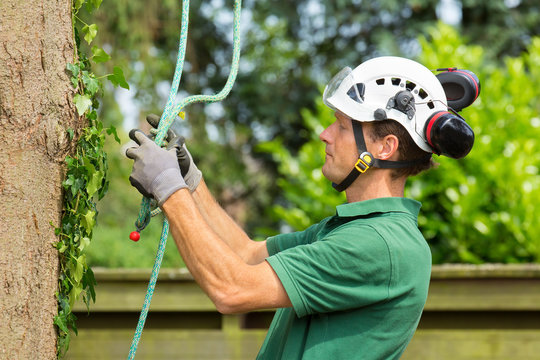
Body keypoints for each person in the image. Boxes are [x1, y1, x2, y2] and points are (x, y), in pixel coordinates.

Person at [126, 56, 479, 359]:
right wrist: (190, 179)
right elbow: (247, 254)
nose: (325, 134)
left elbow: (232, 290)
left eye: (341, 126)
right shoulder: (354, 231)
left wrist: (168, 189)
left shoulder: (380, 246)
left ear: (384, 147)